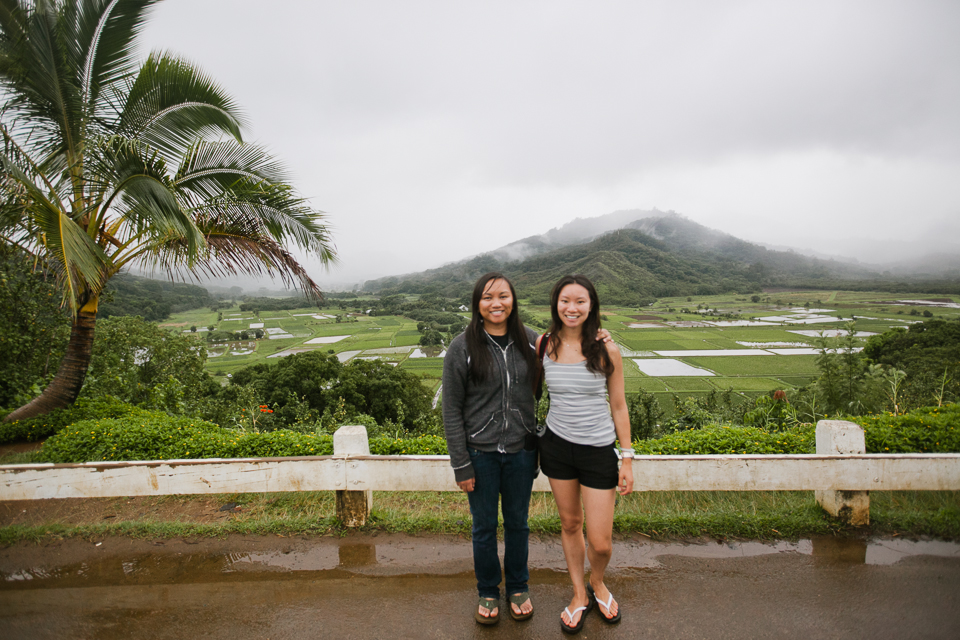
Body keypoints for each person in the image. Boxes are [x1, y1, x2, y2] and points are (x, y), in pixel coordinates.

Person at [536, 274, 635, 634]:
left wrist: (627, 457)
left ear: (591, 305)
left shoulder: (606, 348)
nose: (572, 308)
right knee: (570, 524)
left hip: (597, 450)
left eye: (580, 301)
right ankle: (580, 593)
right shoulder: (544, 344)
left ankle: (598, 580)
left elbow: (619, 406)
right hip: (558, 448)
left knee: (601, 541)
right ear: (555, 304)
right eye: (565, 301)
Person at [442, 272, 540, 625]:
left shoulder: (532, 342)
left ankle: (517, 586)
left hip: (521, 452)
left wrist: (599, 336)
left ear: (513, 300)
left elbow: (571, 347)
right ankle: (487, 590)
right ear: (477, 305)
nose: (496, 303)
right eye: (487, 297)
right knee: (483, 527)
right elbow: (451, 409)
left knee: (518, 523)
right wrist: (461, 464)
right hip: (480, 455)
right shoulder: (462, 347)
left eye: (503, 296)